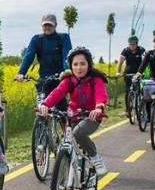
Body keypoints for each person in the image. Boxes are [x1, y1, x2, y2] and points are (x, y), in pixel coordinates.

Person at [37, 47, 108, 176]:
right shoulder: (69, 80)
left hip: (91, 117)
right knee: (68, 141)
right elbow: (57, 93)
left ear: (88, 64)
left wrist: (98, 108)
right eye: (75, 64)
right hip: (73, 116)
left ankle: (96, 158)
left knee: (78, 134)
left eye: (82, 64)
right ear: (71, 66)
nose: (79, 68)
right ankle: (71, 166)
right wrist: (45, 104)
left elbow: (100, 95)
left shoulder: (95, 79)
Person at [14, 14, 73, 110]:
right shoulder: (36, 39)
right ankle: (41, 123)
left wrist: (67, 70)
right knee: (41, 107)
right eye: (45, 25)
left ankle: (65, 125)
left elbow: (66, 56)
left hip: (60, 78)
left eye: (50, 25)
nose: (47, 27)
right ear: (41, 26)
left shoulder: (63, 38)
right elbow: (29, 56)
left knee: (61, 110)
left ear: (55, 26)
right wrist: (21, 73)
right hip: (43, 80)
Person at [115, 35, 146, 118]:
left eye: (133, 44)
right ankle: (128, 110)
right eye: (130, 44)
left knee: (141, 90)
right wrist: (118, 72)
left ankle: (143, 105)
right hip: (128, 73)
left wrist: (142, 72)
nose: (132, 46)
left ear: (137, 44)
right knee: (128, 91)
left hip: (138, 73)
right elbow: (120, 63)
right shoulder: (125, 50)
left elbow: (144, 61)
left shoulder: (141, 50)